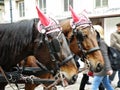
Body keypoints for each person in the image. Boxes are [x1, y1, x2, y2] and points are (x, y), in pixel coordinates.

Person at [91, 25, 114, 90]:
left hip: (102, 68)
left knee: (94, 86)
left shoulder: (101, 42)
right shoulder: (96, 42)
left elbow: (105, 56)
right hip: (100, 68)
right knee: (106, 84)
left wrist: (109, 68)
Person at [109, 22, 120, 88]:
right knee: (114, 69)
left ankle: (119, 84)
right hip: (115, 54)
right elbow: (113, 43)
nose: (119, 28)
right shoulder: (113, 34)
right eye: (118, 26)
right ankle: (108, 82)